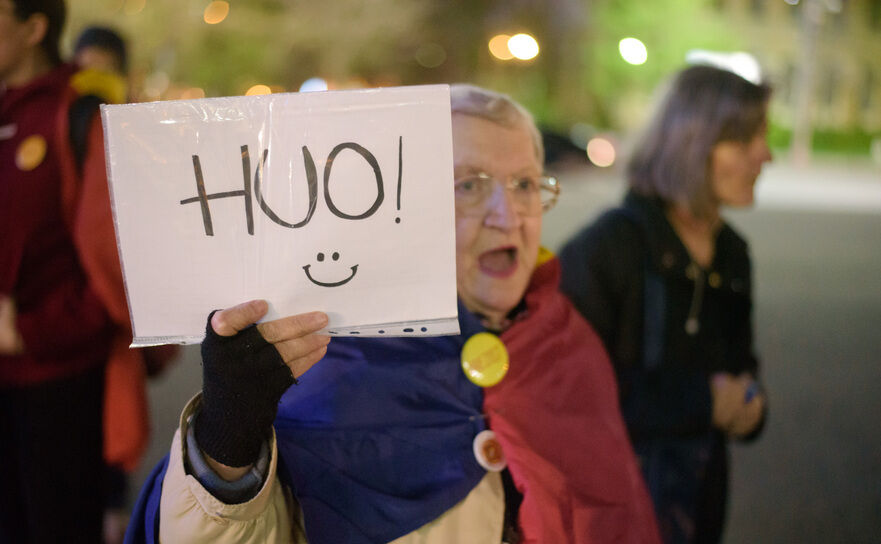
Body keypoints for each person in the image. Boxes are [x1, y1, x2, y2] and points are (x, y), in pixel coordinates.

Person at [126, 84, 661, 543]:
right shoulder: (326, 354)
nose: (508, 217)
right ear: (404, 204)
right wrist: (227, 441)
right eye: (470, 185)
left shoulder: (568, 343)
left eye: (524, 184)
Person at [558, 64, 772, 544]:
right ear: (690, 144)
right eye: (745, 142)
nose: (767, 155)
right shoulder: (608, 248)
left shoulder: (733, 252)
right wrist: (704, 401)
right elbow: (569, 396)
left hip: (697, 504)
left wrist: (752, 405)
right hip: (611, 513)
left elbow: (743, 367)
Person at [0, 1, 160, 541]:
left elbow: (118, 278)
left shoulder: (81, 116)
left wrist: (26, 331)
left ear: (33, 28)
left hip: (58, 390)